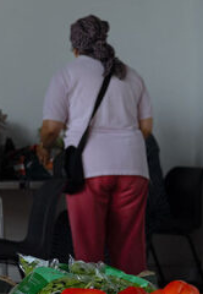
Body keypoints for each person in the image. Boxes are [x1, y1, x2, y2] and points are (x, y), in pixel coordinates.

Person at [37, 15, 154, 275]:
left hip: (88, 169)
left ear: (75, 47)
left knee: (89, 249)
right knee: (129, 249)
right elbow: (146, 127)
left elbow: (51, 128)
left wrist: (44, 146)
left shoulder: (67, 74)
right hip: (133, 167)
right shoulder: (130, 75)